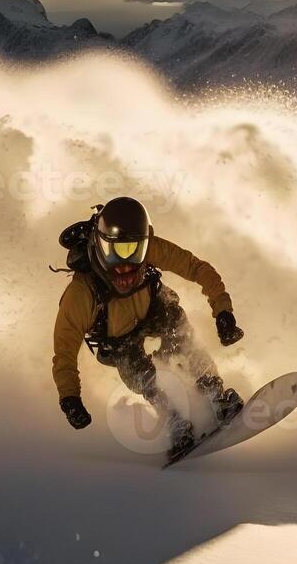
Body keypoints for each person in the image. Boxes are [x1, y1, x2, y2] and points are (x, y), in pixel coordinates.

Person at [51, 196, 245, 460]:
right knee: (139, 370)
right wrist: (70, 397)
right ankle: (173, 418)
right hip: (117, 338)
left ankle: (213, 391)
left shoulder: (152, 249)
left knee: (176, 326)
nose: (126, 265)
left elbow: (196, 268)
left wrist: (223, 311)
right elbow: (64, 350)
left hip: (151, 310)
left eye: (134, 250)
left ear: (145, 244)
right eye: (115, 251)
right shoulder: (80, 294)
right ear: (99, 245)